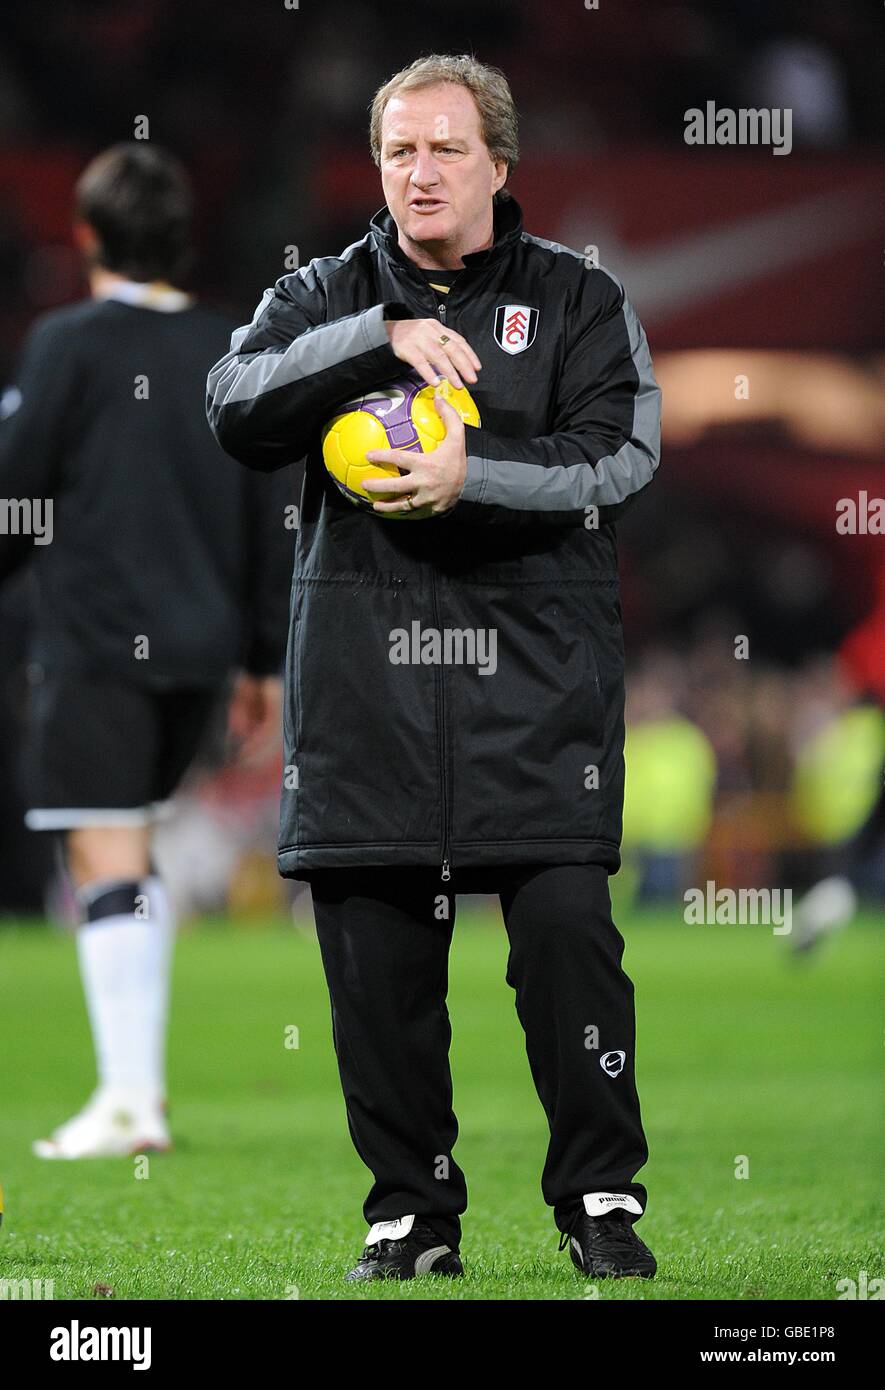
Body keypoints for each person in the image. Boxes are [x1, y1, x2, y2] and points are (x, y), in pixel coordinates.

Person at [208, 53, 661, 1282]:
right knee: (375, 964)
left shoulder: (578, 298)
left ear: (498, 165)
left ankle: (600, 1200)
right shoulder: (321, 296)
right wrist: (375, 342)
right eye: (400, 150)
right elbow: (233, 403)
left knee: (569, 937)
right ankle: (411, 1210)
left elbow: (618, 461)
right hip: (368, 695)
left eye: (446, 149)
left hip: (537, 690)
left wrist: (475, 479)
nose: (420, 172)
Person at [0, 142, 291, 1158]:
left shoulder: (67, 344)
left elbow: (14, 498)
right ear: (181, 238)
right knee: (134, 845)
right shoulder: (227, 347)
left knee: (105, 848)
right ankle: (136, 1093)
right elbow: (271, 518)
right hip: (203, 654)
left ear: (84, 236)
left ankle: (129, 1098)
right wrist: (263, 662)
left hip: (97, 643)